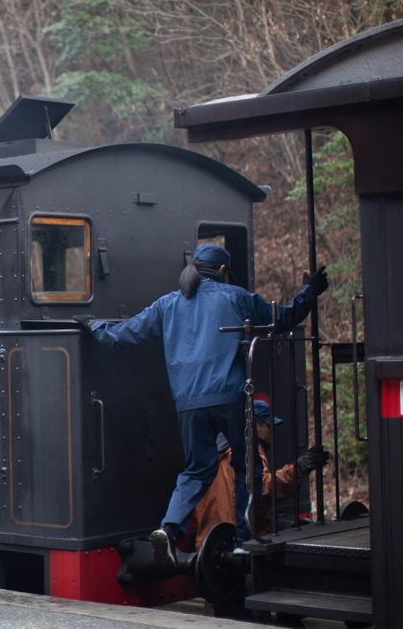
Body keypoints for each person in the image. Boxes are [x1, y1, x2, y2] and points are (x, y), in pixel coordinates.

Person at [73, 243, 327, 574]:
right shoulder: (235, 297)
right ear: (222, 271)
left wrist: (94, 326)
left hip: (189, 404)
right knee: (245, 468)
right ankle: (242, 539)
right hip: (230, 397)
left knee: (196, 469)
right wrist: (309, 291)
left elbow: (125, 334)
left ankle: (169, 529)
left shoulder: (168, 304)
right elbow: (284, 317)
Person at [192, 398, 331, 550]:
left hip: (211, 542)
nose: (271, 432)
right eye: (269, 426)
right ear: (254, 425)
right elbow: (261, 489)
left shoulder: (215, 452)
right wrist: (297, 470)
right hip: (238, 542)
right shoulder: (247, 451)